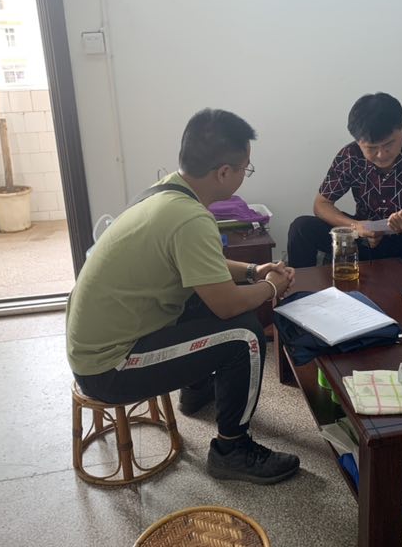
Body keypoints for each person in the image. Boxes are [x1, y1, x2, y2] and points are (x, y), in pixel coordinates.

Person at [66, 108, 300, 485]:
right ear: (224, 172)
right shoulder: (191, 218)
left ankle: (195, 392)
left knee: (199, 295)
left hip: (97, 345)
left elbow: (202, 266)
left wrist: (254, 271)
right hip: (110, 368)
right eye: (246, 168)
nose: (245, 175)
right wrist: (272, 287)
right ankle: (232, 450)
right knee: (244, 335)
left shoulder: (164, 192)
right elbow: (227, 304)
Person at [287, 92, 402, 299]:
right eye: (371, 148)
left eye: (389, 144)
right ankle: (299, 300)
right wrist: (356, 227)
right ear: (358, 141)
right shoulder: (350, 155)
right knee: (302, 228)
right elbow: (321, 204)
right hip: (362, 241)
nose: (381, 154)